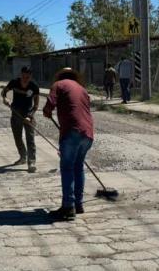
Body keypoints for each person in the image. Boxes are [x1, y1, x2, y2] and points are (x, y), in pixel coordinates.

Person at [43, 68, 94, 221]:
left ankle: (68, 207)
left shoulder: (58, 85)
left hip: (72, 131)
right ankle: (78, 204)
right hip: (88, 133)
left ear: (60, 76)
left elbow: (50, 103)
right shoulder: (82, 89)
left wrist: (47, 111)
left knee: (67, 168)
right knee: (78, 167)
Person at [2, 66, 40, 173]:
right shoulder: (14, 83)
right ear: (20, 74)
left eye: (27, 77)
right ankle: (23, 157)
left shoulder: (34, 87)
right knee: (17, 137)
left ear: (31, 76)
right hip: (16, 113)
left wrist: (30, 116)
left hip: (28, 114)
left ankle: (31, 162)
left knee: (30, 139)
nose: (25, 78)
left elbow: (36, 105)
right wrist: (4, 98)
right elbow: (4, 91)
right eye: (23, 76)